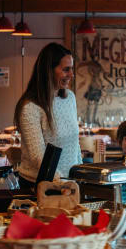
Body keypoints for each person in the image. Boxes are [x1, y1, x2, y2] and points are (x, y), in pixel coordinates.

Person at [14, 43, 82, 188]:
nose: (71, 74)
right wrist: (61, 184)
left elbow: (75, 145)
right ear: (48, 71)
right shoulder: (30, 107)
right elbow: (38, 157)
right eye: (66, 70)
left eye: (71, 69)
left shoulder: (70, 98)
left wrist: (80, 176)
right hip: (38, 186)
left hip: (69, 185)